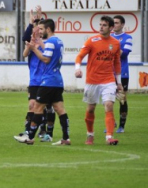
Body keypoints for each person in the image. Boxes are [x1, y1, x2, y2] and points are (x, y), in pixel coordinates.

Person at [14, 19, 70, 146]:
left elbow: (45, 59)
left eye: (41, 29)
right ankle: (66, 138)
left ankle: (30, 137)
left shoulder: (50, 41)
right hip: (57, 80)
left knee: (38, 108)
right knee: (60, 109)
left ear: (48, 29)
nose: (39, 31)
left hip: (48, 81)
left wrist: (34, 48)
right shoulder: (59, 41)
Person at [74, 16, 122, 145]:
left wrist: (119, 82)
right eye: (100, 24)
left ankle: (109, 137)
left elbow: (117, 63)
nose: (101, 27)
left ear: (111, 28)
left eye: (104, 25)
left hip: (108, 80)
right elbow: (79, 56)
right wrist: (77, 69)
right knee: (90, 109)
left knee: (109, 105)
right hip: (92, 81)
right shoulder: (92, 40)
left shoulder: (116, 43)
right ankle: (90, 135)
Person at [16, 6, 55, 141]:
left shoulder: (48, 43)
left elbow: (49, 58)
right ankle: (28, 131)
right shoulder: (32, 41)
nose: (37, 30)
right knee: (32, 105)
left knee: (48, 107)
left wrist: (39, 44)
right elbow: (25, 53)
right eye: (35, 28)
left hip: (46, 79)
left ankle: (46, 132)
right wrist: (30, 46)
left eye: (40, 28)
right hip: (34, 80)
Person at [111, 15, 132, 133]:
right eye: (113, 23)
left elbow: (124, 54)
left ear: (123, 25)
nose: (114, 25)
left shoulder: (127, 38)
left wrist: (110, 49)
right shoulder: (109, 37)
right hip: (109, 74)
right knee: (108, 99)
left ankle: (122, 126)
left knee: (122, 99)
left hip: (122, 73)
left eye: (117, 23)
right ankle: (111, 123)